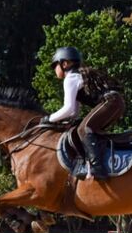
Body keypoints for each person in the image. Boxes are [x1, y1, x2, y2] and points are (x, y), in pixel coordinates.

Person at [42, 46, 125, 180]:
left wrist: (49, 118)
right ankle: (97, 160)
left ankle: (97, 167)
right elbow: (74, 111)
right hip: (116, 102)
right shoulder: (76, 77)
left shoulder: (70, 78)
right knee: (86, 129)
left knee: (84, 129)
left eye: (55, 65)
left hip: (111, 102)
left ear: (64, 63)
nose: (54, 70)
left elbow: (68, 108)